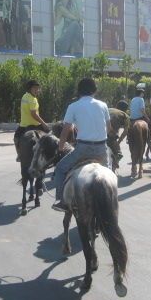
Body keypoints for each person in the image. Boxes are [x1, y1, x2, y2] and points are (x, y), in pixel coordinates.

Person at [52, 78, 112, 212]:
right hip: (101, 149)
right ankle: (111, 198)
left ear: (79, 91)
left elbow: (65, 131)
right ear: (94, 90)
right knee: (109, 172)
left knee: (60, 168)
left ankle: (61, 200)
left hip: (82, 149)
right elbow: (108, 128)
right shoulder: (103, 105)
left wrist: (60, 148)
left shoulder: (73, 106)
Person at [14, 80, 50, 162]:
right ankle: (49, 156)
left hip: (23, 126)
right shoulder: (33, 99)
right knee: (50, 138)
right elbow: (34, 114)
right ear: (29, 89)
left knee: (16, 138)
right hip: (34, 125)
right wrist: (44, 123)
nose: (37, 90)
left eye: (38, 88)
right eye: (35, 88)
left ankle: (19, 155)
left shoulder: (24, 96)